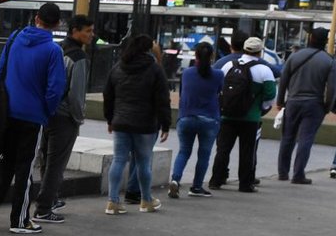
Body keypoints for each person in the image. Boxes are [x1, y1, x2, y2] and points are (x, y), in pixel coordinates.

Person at [0, 2, 66, 233]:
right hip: (33, 114)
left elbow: (0, 72)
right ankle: (19, 220)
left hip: (7, 110)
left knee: (6, 159)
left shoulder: (15, 36)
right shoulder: (53, 50)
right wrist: (46, 111)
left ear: (36, 17)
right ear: (57, 24)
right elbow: (55, 88)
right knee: (24, 168)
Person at [29, 14, 91, 222]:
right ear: (75, 31)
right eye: (88, 31)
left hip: (46, 112)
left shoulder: (56, 49)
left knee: (47, 158)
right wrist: (78, 118)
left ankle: (50, 198)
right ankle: (44, 208)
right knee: (57, 163)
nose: (91, 35)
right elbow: (76, 94)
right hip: (65, 116)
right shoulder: (79, 58)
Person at [102, 35, 171, 214]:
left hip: (121, 122)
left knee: (118, 160)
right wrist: (165, 124)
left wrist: (110, 119)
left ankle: (113, 201)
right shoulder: (155, 69)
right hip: (145, 124)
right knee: (143, 162)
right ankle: (146, 200)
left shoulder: (117, 68)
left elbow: (108, 95)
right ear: (148, 49)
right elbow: (163, 99)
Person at [209, 37, 277, 193]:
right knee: (247, 151)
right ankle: (245, 184)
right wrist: (261, 108)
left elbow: (219, 89)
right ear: (260, 52)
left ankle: (216, 180)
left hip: (227, 116)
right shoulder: (264, 70)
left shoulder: (228, 66)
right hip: (250, 118)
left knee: (223, 149)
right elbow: (270, 95)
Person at [273, 27, 336, 184]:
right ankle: (298, 174)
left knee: (287, 137)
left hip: (293, 102)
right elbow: (332, 89)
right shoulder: (329, 61)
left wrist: (281, 101)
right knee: (306, 139)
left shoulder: (294, 56)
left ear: (310, 39)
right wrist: (327, 107)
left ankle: (282, 172)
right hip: (314, 104)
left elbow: (283, 80)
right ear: (326, 41)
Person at [168, 41, 223, 198]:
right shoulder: (218, 75)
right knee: (204, 154)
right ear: (212, 56)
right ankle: (196, 187)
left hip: (186, 116)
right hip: (210, 119)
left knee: (184, 151)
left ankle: (175, 180)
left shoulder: (187, 73)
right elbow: (220, 92)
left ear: (196, 56)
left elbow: (182, 93)